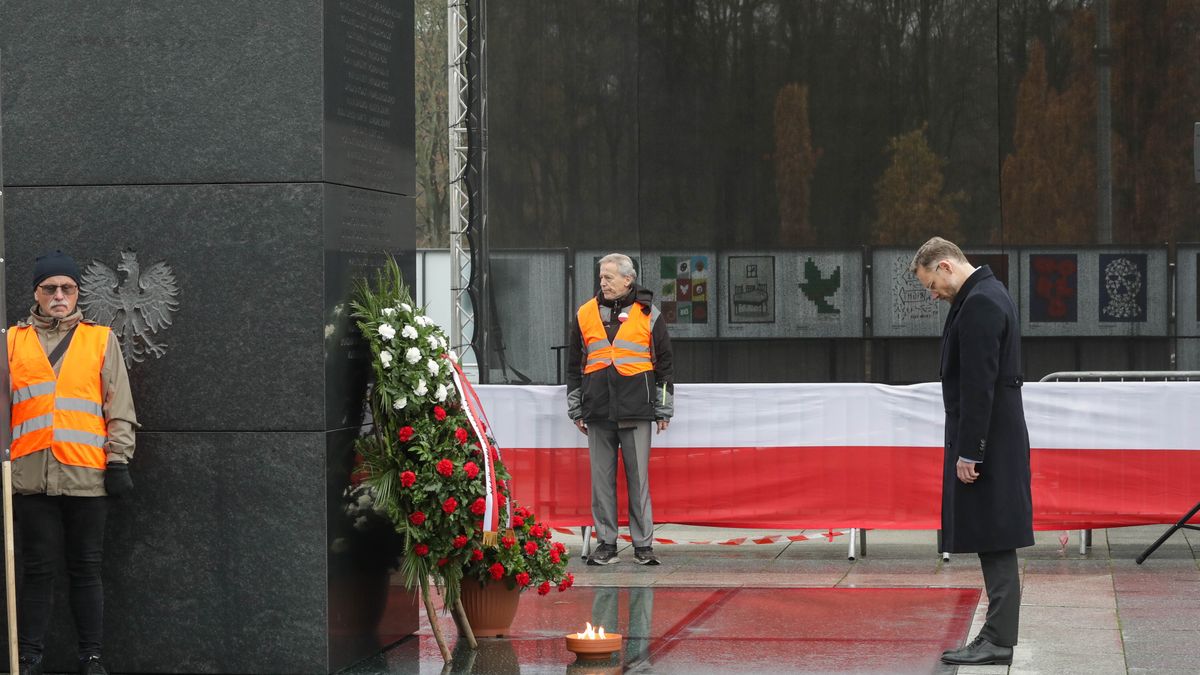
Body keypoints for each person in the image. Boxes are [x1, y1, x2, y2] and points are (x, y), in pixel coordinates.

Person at [8, 251, 138, 675]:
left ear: (78, 292)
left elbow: (119, 406)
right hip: (31, 478)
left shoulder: (100, 340)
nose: (59, 296)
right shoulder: (12, 342)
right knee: (37, 570)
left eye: (67, 288)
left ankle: (92, 658)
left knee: (86, 569)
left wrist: (119, 460)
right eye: (50, 288)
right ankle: (29, 658)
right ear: (36, 293)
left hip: (88, 476)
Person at [910, 237, 1033, 667]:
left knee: (995, 537)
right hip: (996, 435)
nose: (933, 294)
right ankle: (997, 635)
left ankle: (997, 639)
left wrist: (970, 452)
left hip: (989, 440)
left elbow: (979, 384)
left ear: (945, 265)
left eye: (931, 284)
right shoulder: (988, 293)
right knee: (994, 536)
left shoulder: (979, 302)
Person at [567, 253, 673, 566]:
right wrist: (576, 408)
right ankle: (607, 545)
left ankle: (643, 546)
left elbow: (665, 366)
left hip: (636, 408)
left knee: (638, 481)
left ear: (628, 279)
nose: (603, 282)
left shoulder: (649, 314)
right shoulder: (585, 313)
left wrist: (664, 409)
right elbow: (574, 367)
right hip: (598, 408)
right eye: (601, 277)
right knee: (601, 482)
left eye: (609, 277)